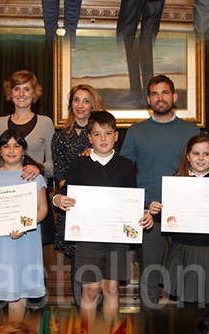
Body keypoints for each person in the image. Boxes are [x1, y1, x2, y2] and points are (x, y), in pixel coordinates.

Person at [54, 110, 153, 320]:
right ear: (89, 138)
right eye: (97, 134)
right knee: (90, 290)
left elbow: (132, 200)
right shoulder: (79, 165)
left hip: (116, 240)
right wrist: (57, 200)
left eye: (108, 133)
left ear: (116, 136)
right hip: (88, 240)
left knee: (111, 289)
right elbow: (62, 194)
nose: (103, 138)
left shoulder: (125, 166)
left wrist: (143, 213)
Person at [120, 75, 201, 308]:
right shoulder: (136, 131)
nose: (160, 98)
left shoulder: (190, 129)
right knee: (150, 273)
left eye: (165, 93)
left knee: (186, 272)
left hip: (184, 213)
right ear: (148, 99)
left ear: (174, 97)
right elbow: (124, 169)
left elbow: (201, 166)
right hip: (148, 214)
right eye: (154, 94)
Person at [0, 131, 47, 330]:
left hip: (23, 241)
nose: (11, 150)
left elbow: (42, 210)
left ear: (24, 150)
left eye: (16, 146)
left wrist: (25, 226)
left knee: (19, 292)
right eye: (6, 146)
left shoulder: (33, 176)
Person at [157, 131, 209, 306]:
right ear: (188, 157)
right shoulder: (176, 182)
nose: (201, 158)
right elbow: (169, 216)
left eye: (206, 154)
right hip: (184, 249)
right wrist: (157, 210)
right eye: (196, 153)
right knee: (186, 306)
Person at [52, 83, 105, 296]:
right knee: (78, 267)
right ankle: (84, 319)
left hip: (101, 210)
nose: (80, 105)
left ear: (93, 105)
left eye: (85, 100)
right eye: (76, 100)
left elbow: (109, 173)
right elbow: (61, 179)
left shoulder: (103, 134)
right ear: (70, 104)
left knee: (102, 266)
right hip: (74, 208)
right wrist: (82, 168)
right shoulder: (60, 137)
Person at [0, 71, 55, 179]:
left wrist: (39, 168)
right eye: (16, 89)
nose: (21, 94)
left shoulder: (46, 123)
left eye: (26, 89)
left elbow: (53, 164)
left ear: (34, 93)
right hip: (6, 189)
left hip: (34, 188)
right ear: (11, 93)